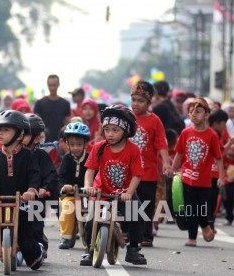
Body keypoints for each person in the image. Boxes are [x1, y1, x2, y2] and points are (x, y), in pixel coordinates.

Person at [81, 104, 147, 266]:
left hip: (125, 193)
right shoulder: (99, 147)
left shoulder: (133, 150)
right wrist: (89, 186)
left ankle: (133, 249)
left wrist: (129, 193)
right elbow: (90, 170)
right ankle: (89, 251)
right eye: (107, 129)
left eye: (115, 130)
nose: (109, 134)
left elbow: (137, 175)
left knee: (137, 214)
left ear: (126, 131)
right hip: (101, 192)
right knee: (90, 220)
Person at [0, 110, 44, 271]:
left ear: (20, 135)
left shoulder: (28, 156)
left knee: (29, 245)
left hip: (22, 203)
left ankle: (38, 251)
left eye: (5, 130)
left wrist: (31, 190)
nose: (0, 133)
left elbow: (34, 175)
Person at [172, 97, 222, 247]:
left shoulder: (212, 135)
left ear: (207, 115)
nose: (194, 114)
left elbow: (218, 158)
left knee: (201, 208)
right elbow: (179, 153)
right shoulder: (185, 132)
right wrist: (173, 169)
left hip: (204, 180)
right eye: (191, 111)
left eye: (198, 112)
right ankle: (192, 237)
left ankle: (205, 225)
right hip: (187, 177)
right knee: (190, 209)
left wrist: (220, 176)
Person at [129, 81, 171, 247]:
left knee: (146, 205)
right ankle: (130, 232)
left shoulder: (155, 121)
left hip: (148, 172)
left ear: (149, 102)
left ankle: (146, 235)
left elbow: (161, 143)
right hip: (129, 171)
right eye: (134, 100)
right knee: (129, 203)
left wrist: (166, 164)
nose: (136, 104)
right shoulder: (127, 117)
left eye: (140, 101)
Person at [21, 113, 58, 257]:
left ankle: (40, 243)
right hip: (15, 197)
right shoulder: (13, 155)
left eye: (25, 135)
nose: (20, 138)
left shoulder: (41, 155)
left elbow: (51, 174)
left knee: (35, 225)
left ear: (37, 138)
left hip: (35, 198)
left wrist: (45, 188)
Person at [57, 121, 89, 249]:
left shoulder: (89, 158)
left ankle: (90, 234)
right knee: (67, 209)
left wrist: (90, 187)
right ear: (67, 144)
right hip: (69, 194)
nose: (76, 148)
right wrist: (65, 186)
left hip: (86, 194)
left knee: (91, 211)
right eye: (72, 144)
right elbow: (62, 176)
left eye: (79, 144)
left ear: (86, 144)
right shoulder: (66, 159)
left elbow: (94, 174)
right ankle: (66, 237)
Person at [208, 109, 229, 231]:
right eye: (224, 123)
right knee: (211, 201)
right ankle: (209, 224)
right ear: (216, 123)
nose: (225, 126)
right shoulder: (212, 135)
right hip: (211, 173)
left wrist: (229, 143)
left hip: (214, 173)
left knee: (213, 200)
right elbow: (219, 155)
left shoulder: (215, 135)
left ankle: (210, 224)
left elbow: (221, 154)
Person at [34, 75, 71, 142]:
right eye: (50, 85)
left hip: (60, 140)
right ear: (47, 85)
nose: (52, 88)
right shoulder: (40, 103)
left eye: (54, 85)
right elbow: (36, 123)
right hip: (44, 140)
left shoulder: (65, 103)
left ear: (58, 85)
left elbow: (67, 123)